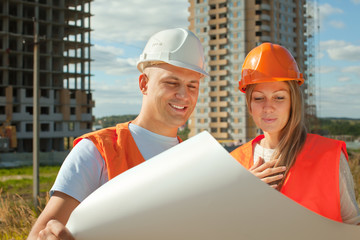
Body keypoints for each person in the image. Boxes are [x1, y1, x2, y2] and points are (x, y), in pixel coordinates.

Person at [27, 28, 208, 239]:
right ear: (144, 83)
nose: (183, 95)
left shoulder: (194, 161)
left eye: (192, 85)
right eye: (172, 82)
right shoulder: (98, 151)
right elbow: (42, 233)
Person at [231, 42, 360, 225]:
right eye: (259, 98)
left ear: (293, 101)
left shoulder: (329, 156)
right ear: (249, 105)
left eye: (279, 97)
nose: (268, 107)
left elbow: (353, 225)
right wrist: (242, 195)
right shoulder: (235, 163)